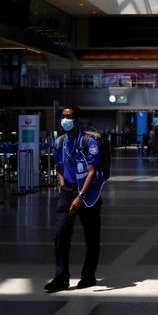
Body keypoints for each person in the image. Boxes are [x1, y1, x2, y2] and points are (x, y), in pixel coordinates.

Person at [44, 105, 102, 292]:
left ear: (77, 119)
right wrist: (62, 187)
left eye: (68, 116)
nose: (65, 120)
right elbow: (59, 167)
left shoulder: (88, 141)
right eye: (62, 116)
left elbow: (92, 171)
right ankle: (61, 277)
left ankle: (88, 275)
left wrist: (81, 195)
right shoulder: (59, 141)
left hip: (88, 194)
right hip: (68, 192)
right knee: (60, 233)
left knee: (91, 237)